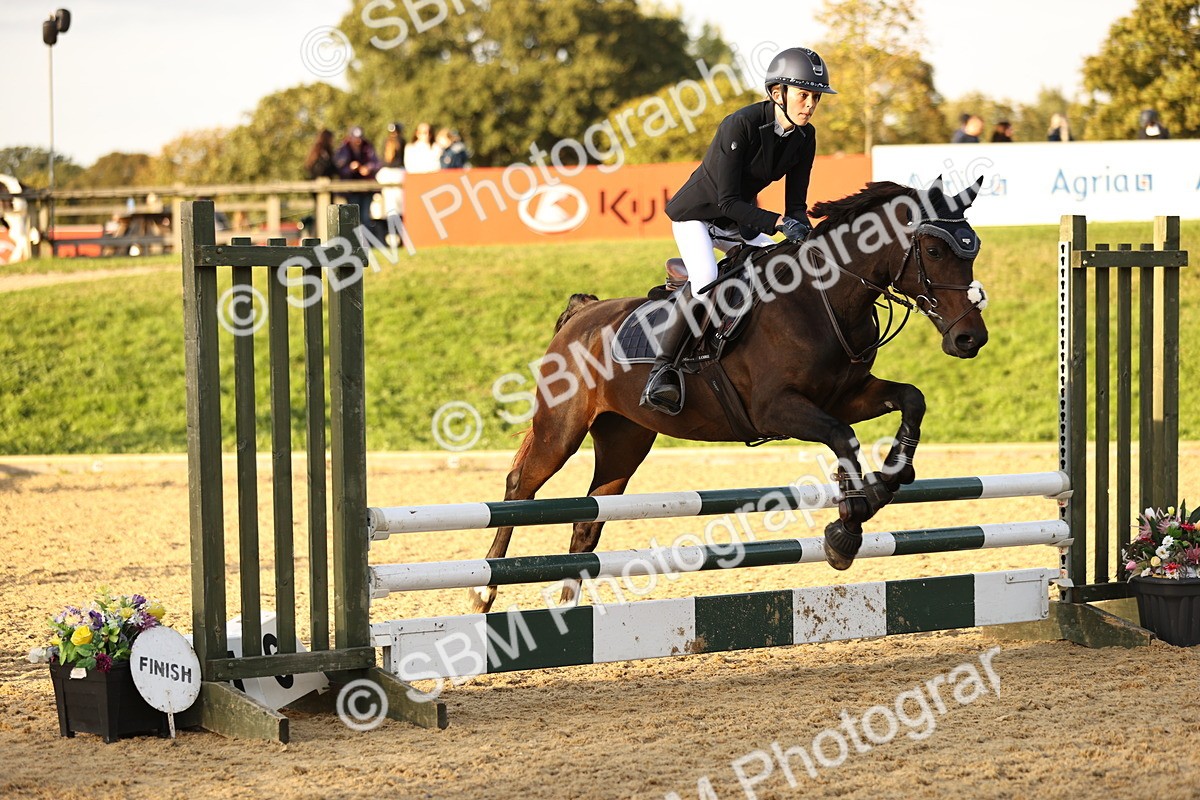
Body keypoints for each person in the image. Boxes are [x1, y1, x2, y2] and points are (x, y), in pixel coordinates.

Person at [644, 46, 832, 415]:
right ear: (778, 93)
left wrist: (807, 236)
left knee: (780, 264)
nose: (810, 104)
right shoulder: (740, 125)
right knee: (707, 279)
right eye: (803, 95)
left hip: (739, 223)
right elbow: (727, 200)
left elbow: (796, 204)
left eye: (815, 97)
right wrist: (778, 224)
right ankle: (662, 369)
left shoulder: (805, 138)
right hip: (697, 216)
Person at [334, 125, 381, 233]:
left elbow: (377, 163)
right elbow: (339, 168)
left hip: (366, 189)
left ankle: (366, 242)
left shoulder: (368, 147)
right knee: (353, 216)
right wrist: (350, 168)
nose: (358, 141)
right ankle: (353, 242)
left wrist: (368, 168)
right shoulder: (343, 149)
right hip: (351, 190)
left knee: (365, 216)